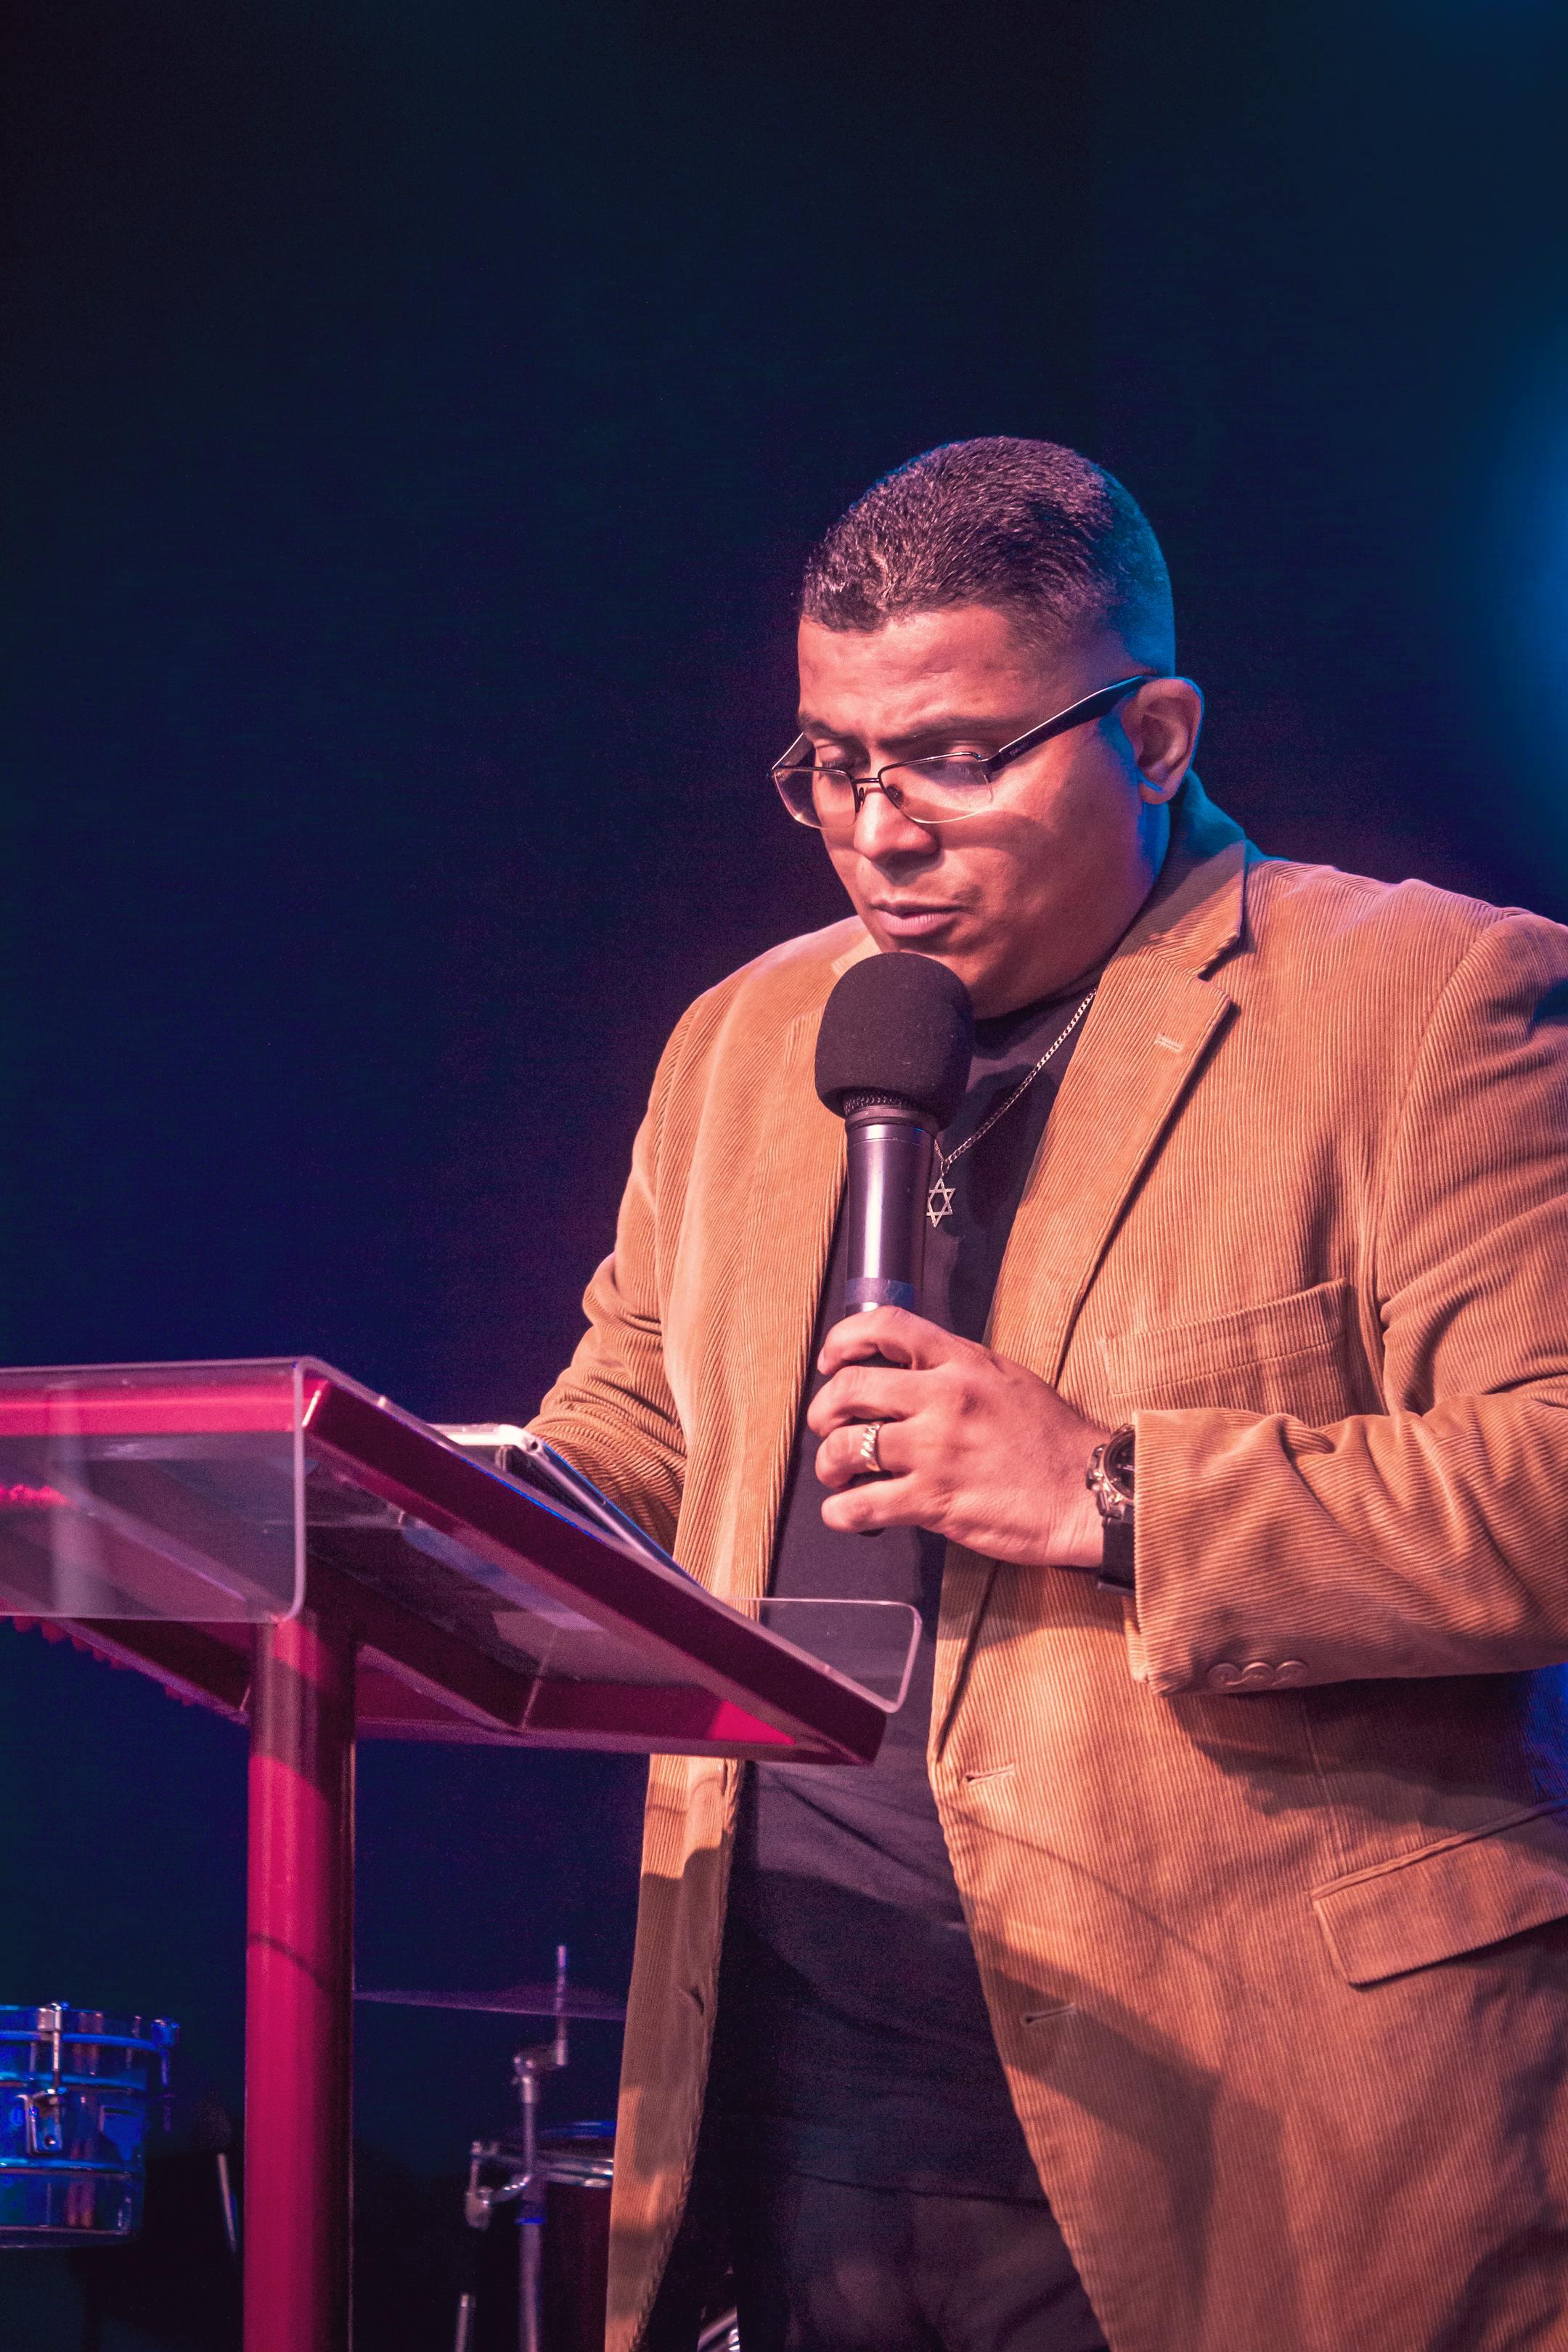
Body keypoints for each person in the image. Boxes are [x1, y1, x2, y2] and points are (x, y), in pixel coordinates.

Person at [530, 437, 1568, 2352]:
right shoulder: (748, 1034)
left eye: (952, 757)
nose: (878, 832)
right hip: (795, 2101)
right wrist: (459, 1512)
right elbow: (646, 1404)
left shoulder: (1437, 1005)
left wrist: (1117, 1492)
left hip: (1252, 2122)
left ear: (1157, 734)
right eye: (833, 765)